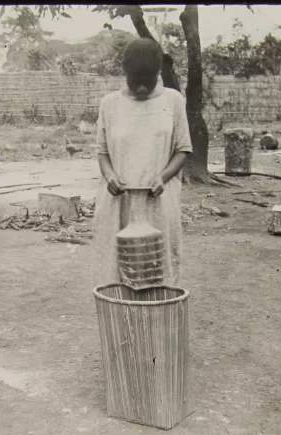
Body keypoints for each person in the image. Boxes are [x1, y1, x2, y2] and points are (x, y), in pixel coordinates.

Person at [91, 38, 193, 288]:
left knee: (159, 271)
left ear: (158, 73)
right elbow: (102, 152)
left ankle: (156, 326)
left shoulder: (173, 101)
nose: (140, 88)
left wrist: (163, 177)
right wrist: (110, 175)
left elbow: (182, 149)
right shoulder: (110, 104)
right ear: (125, 73)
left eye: (146, 81)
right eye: (135, 81)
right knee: (117, 274)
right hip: (118, 204)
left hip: (158, 201)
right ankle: (123, 327)